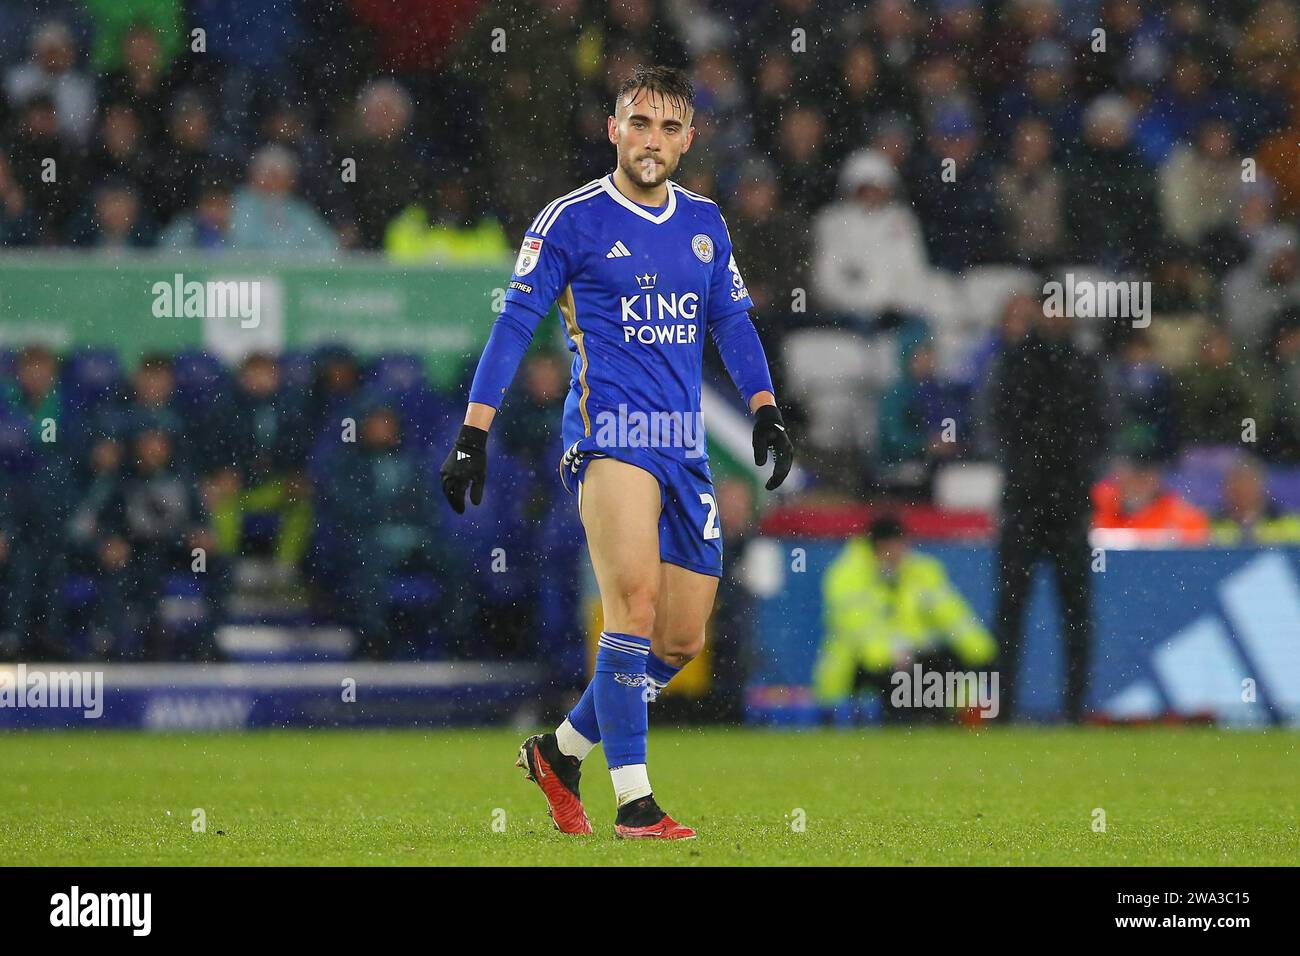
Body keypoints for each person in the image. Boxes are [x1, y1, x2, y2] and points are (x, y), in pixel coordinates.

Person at [439, 65, 793, 840]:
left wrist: (766, 411)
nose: (653, 141)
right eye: (640, 124)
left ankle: (559, 754)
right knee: (631, 606)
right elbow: (514, 325)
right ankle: (636, 801)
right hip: (610, 442)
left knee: (678, 640)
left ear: (690, 139)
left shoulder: (705, 223)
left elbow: (732, 324)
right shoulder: (571, 220)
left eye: (670, 128)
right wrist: (474, 432)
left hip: (683, 450)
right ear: (614, 129)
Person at [989, 305, 1107, 723]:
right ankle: (1003, 707)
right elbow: (993, 422)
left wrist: (1078, 470)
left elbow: (1104, 425)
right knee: (1012, 610)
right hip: (1028, 502)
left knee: (1073, 611)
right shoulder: (1017, 362)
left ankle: (1075, 708)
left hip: (1064, 504)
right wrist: (1025, 467)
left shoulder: (1082, 364)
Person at [814, 514, 995, 719]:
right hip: (858, 670)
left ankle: (949, 716)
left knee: (948, 666)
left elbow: (954, 615)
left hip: (910, 661)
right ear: (879, 546)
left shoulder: (921, 571)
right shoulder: (847, 575)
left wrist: (983, 655)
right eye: (893, 546)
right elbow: (861, 631)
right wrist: (895, 654)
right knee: (898, 676)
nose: (899, 553)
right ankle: (905, 718)